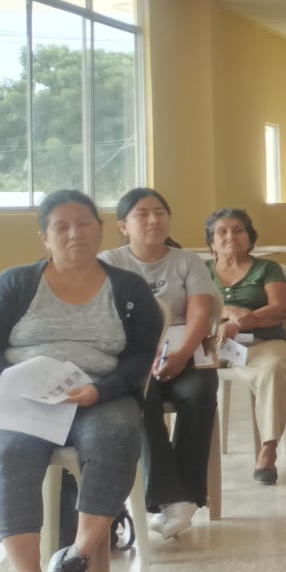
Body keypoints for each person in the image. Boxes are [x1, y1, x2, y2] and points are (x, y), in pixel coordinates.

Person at [0, 190, 164, 572]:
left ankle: (74, 560)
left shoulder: (128, 288)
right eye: (62, 226)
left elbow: (141, 356)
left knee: (118, 433)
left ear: (100, 230)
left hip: (99, 395)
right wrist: (8, 384)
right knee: (8, 453)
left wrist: (100, 390)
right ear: (44, 236)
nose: (75, 233)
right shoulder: (15, 283)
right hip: (26, 398)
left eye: (85, 223)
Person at [101, 187, 220, 539]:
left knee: (201, 392)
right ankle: (171, 497)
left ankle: (186, 497)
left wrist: (181, 355)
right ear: (123, 226)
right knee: (140, 400)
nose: (153, 220)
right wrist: (141, 355)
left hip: (185, 353)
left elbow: (200, 312)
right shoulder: (109, 262)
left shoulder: (187, 261)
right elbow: (104, 317)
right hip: (134, 360)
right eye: (142, 214)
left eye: (160, 212)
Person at [205, 208, 286, 486]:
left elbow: (279, 310)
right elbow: (190, 307)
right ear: (212, 243)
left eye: (238, 230)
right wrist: (229, 312)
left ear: (250, 238)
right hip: (210, 344)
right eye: (221, 232)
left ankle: (269, 448)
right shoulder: (202, 272)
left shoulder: (268, 269)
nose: (230, 236)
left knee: (273, 369)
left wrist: (244, 321)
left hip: (261, 343)